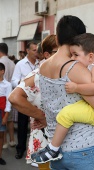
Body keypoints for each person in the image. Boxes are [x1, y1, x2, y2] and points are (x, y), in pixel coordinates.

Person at [9, 15, 94, 170]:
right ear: (80, 38)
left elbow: (14, 97)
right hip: (87, 149)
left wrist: (42, 116)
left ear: (58, 36)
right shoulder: (75, 68)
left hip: (58, 149)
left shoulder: (42, 67)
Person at [31, 33, 94, 164]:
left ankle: (53, 149)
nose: (72, 58)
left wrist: (76, 87)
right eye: (71, 54)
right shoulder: (93, 66)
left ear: (90, 56)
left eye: (75, 55)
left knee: (66, 114)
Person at [15, 35, 57, 169]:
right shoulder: (38, 74)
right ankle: (19, 149)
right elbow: (15, 97)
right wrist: (42, 117)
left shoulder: (63, 72)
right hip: (44, 135)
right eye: (58, 52)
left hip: (62, 138)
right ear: (47, 54)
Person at [11, 41, 39, 159]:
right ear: (27, 51)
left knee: (37, 125)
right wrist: (24, 85)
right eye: (34, 50)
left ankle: (36, 150)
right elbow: (13, 81)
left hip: (37, 100)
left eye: (37, 50)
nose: (36, 52)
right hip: (24, 99)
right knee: (22, 126)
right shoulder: (20, 64)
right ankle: (21, 149)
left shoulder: (40, 64)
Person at [0, 43, 16, 149]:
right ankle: (12, 140)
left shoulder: (1, 62)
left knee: (3, 119)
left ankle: (4, 141)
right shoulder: (12, 63)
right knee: (9, 120)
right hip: (12, 92)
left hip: (4, 93)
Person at [0, 63, 12, 165]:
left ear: (2, 71)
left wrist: (6, 116)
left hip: (1, 111)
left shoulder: (7, 84)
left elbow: (8, 101)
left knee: (1, 134)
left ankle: (0, 156)